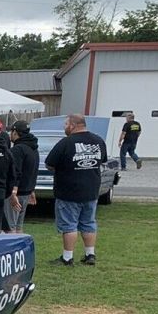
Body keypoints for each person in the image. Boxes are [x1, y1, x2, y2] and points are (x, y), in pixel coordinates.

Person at [45, 113, 106, 266]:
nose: (65, 127)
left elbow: (49, 163)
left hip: (69, 191)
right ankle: (90, 254)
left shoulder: (66, 143)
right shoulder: (98, 141)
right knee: (88, 223)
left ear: (72, 125)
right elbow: (102, 160)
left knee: (69, 224)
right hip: (91, 190)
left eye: (66, 124)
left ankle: (67, 257)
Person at [6, 120, 39, 232]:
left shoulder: (18, 149)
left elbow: (16, 172)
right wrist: (32, 189)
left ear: (15, 132)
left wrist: (13, 192)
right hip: (27, 192)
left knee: (10, 227)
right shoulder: (34, 148)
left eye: (11, 131)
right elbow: (34, 169)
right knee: (19, 227)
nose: (10, 134)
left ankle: (12, 248)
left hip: (17, 193)